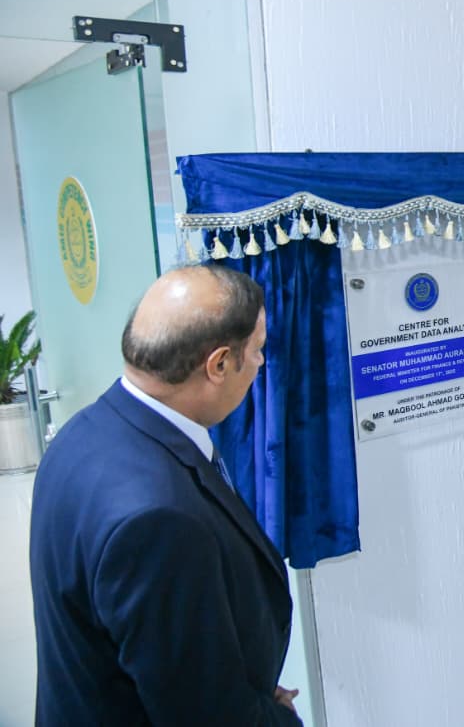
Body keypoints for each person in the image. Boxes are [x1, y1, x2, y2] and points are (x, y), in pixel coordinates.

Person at [29, 265, 302, 725]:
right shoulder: (158, 519)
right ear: (218, 364)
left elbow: (164, 648)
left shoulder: (83, 433)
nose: (260, 363)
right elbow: (206, 716)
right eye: (257, 350)